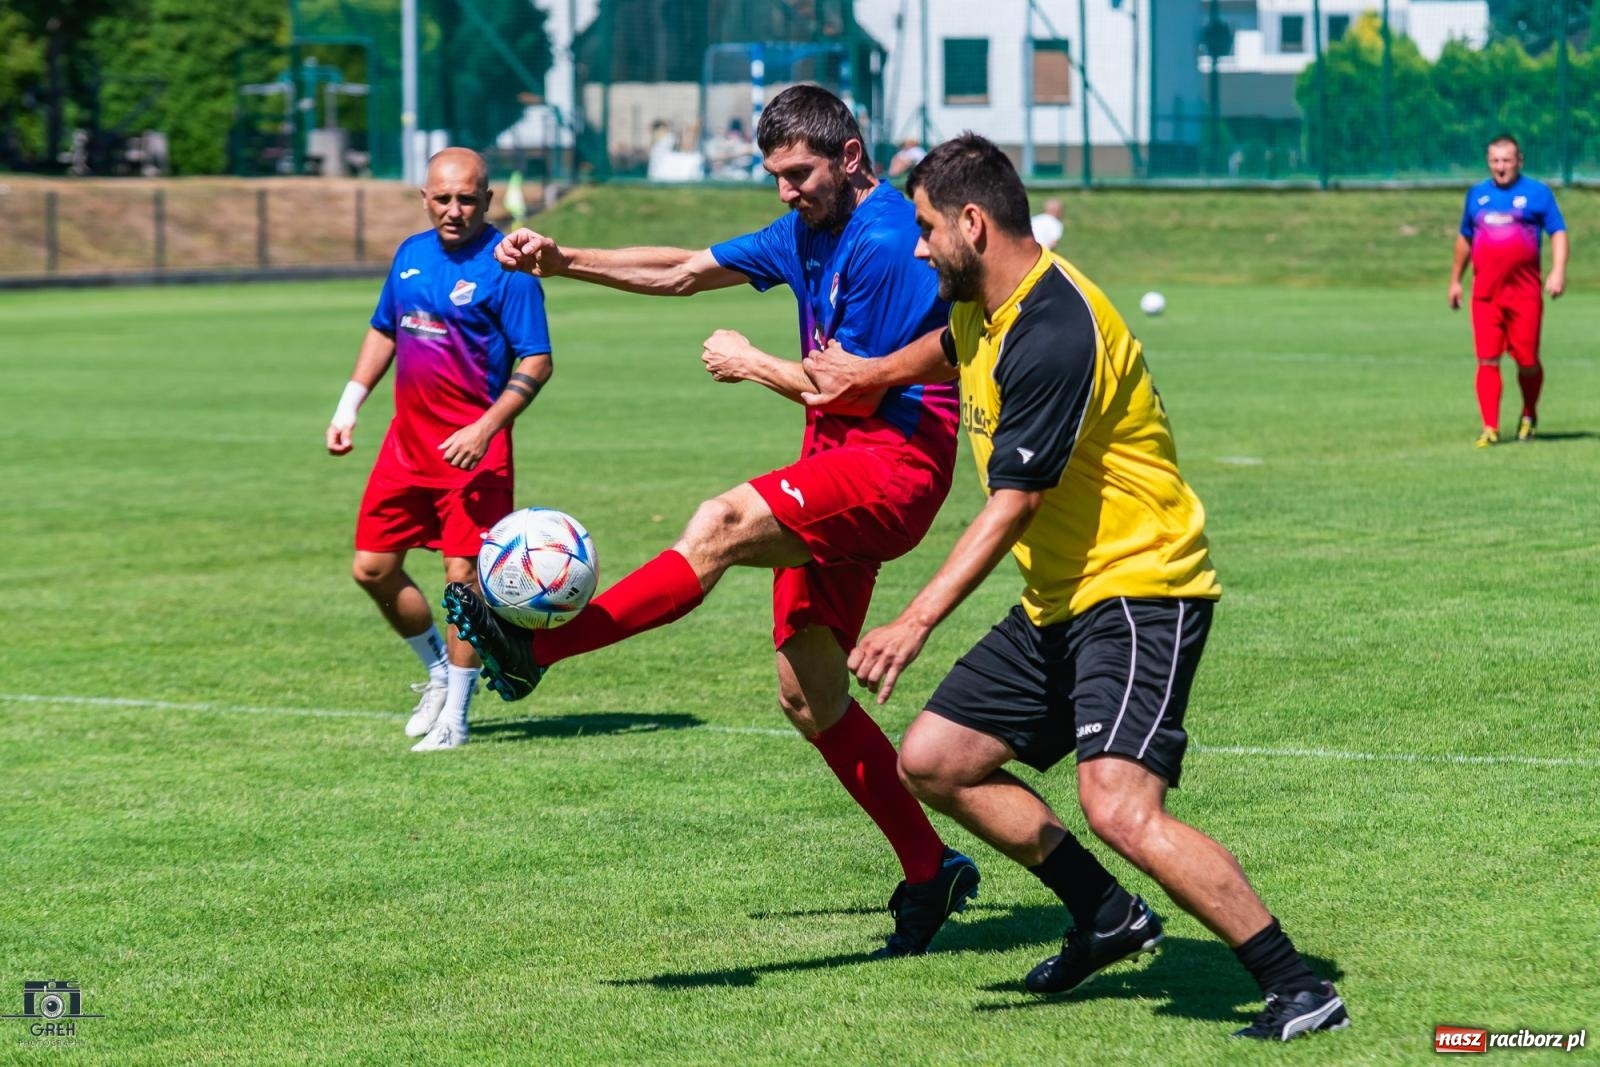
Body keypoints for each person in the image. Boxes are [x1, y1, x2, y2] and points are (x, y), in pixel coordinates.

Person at [799, 133, 1348, 1042]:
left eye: (929, 227)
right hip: (1062, 596)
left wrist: (914, 619)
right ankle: (1104, 914)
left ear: (973, 222)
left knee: (1120, 805)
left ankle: (1295, 984)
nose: (918, 245)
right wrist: (873, 372)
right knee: (936, 758)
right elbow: (952, 346)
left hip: (1140, 588)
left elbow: (1015, 502)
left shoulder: (1055, 329)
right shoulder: (988, 301)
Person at [443, 85, 981, 956]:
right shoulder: (808, 230)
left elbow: (854, 382)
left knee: (721, 522)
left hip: (893, 471)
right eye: (773, 176)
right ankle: (931, 869)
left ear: (849, 157)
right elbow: (684, 269)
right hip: (833, 469)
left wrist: (750, 360)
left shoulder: (885, 237)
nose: (784, 192)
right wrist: (563, 258)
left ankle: (531, 651)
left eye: (798, 174)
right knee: (810, 695)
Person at [326, 147, 554, 752]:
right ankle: (434, 672)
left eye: (468, 199)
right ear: (424, 197)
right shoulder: (409, 254)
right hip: (405, 449)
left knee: (463, 585)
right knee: (371, 568)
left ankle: (456, 711)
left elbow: (538, 359)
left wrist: (486, 428)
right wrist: (348, 406)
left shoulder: (508, 266)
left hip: (475, 458)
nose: (454, 210)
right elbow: (384, 329)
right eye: (443, 198)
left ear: (488, 199)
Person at [1448, 134, 1567, 447]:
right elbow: (1465, 238)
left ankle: (1529, 414)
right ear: (1489, 162)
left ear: (1519, 161)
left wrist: (1557, 271)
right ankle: (1490, 426)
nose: (1501, 167)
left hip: (1525, 295)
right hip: (1486, 295)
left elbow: (1558, 232)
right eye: (1495, 161)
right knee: (1487, 359)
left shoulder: (1537, 194)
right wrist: (1455, 280)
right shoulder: (1477, 196)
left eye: (1507, 161)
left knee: (1527, 360)